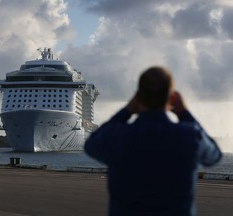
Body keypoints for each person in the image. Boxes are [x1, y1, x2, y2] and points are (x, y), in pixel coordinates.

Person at [84, 66, 222, 216]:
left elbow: (91, 145)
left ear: (138, 97)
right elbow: (214, 156)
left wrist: (127, 111)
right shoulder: (190, 136)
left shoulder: (117, 136)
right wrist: (184, 113)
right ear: (172, 99)